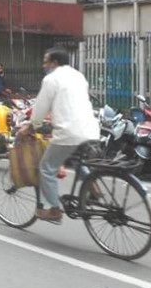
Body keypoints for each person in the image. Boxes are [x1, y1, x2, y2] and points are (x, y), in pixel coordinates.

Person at [17, 47, 99, 223]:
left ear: (54, 63)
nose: (43, 65)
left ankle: (54, 209)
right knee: (77, 160)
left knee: (46, 168)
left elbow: (40, 108)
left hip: (69, 131)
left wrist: (31, 127)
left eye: (46, 61)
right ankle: (93, 186)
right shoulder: (78, 76)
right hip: (91, 128)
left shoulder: (51, 79)